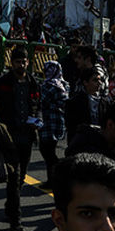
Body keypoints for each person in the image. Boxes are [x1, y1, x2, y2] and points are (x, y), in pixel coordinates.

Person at [0, 47, 40, 231]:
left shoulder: (33, 83)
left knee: (21, 176)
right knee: (14, 177)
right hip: (9, 137)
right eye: (18, 61)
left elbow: (38, 106)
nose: (21, 65)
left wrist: (37, 120)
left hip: (27, 136)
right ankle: (15, 220)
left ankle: (11, 206)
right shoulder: (3, 82)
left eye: (24, 61)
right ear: (12, 63)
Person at [37, 60, 69, 188]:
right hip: (59, 121)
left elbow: (41, 101)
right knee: (50, 150)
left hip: (48, 121)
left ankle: (54, 179)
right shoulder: (64, 85)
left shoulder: (49, 85)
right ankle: (54, 179)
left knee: (47, 151)